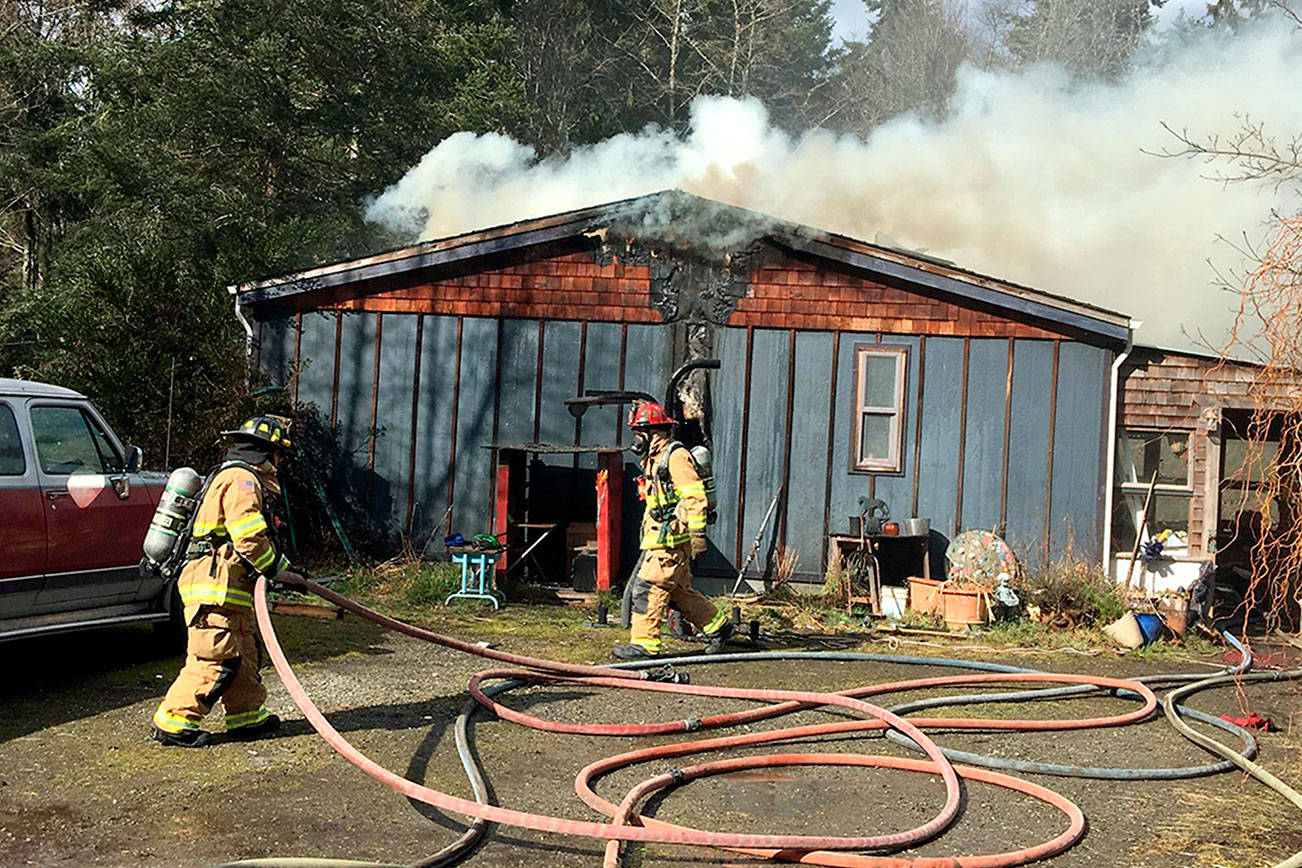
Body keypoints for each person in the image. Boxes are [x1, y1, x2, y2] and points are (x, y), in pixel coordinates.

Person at [151, 415, 303, 747]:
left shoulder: (235, 476)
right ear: (268, 453)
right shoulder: (240, 480)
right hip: (214, 585)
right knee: (215, 655)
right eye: (279, 455)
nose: (280, 464)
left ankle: (246, 716)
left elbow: (255, 542)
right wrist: (277, 570)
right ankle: (173, 721)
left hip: (228, 584)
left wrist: (288, 570)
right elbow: (248, 537)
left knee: (244, 652)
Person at [613, 401, 732, 659]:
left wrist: (698, 536)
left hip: (670, 542)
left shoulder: (676, 457)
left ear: (653, 432)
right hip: (658, 539)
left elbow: (695, 497)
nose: (636, 439)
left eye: (638, 432)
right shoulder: (654, 459)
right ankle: (720, 628)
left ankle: (645, 646)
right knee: (678, 593)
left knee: (646, 589)